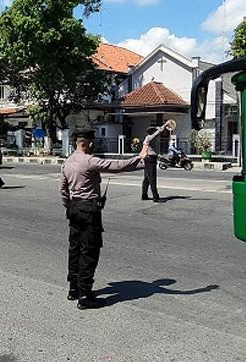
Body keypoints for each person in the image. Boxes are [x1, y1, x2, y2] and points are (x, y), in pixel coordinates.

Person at [60, 129, 149, 309]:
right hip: (88, 209)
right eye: (93, 142)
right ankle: (85, 297)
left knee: (75, 248)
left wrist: (70, 208)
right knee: (89, 251)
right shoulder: (89, 160)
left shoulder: (67, 162)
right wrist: (141, 157)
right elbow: (116, 165)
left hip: (74, 208)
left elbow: (63, 190)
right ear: (88, 143)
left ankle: (74, 288)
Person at [142, 122, 170, 202]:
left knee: (147, 178)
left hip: (147, 158)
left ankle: (144, 195)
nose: (155, 132)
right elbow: (158, 132)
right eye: (154, 131)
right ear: (151, 131)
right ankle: (155, 196)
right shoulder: (150, 138)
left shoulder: (146, 138)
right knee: (152, 178)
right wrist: (165, 125)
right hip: (150, 159)